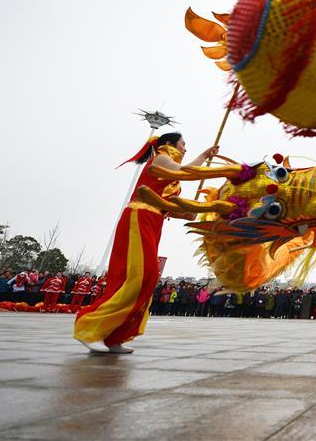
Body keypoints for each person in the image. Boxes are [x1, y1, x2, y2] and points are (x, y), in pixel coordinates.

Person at [73, 132, 218, 353]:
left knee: (146, 278)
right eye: (183, 144)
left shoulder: (170, 174)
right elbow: (188, 171)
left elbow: (165, 204)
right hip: (138, 217)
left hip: (153, 220)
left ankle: (113, 336)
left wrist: (185, 213)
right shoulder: (161, 158)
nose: (185, 148)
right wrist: (204, 156)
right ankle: (90, 327)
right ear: (169, 144)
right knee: (141, 275)